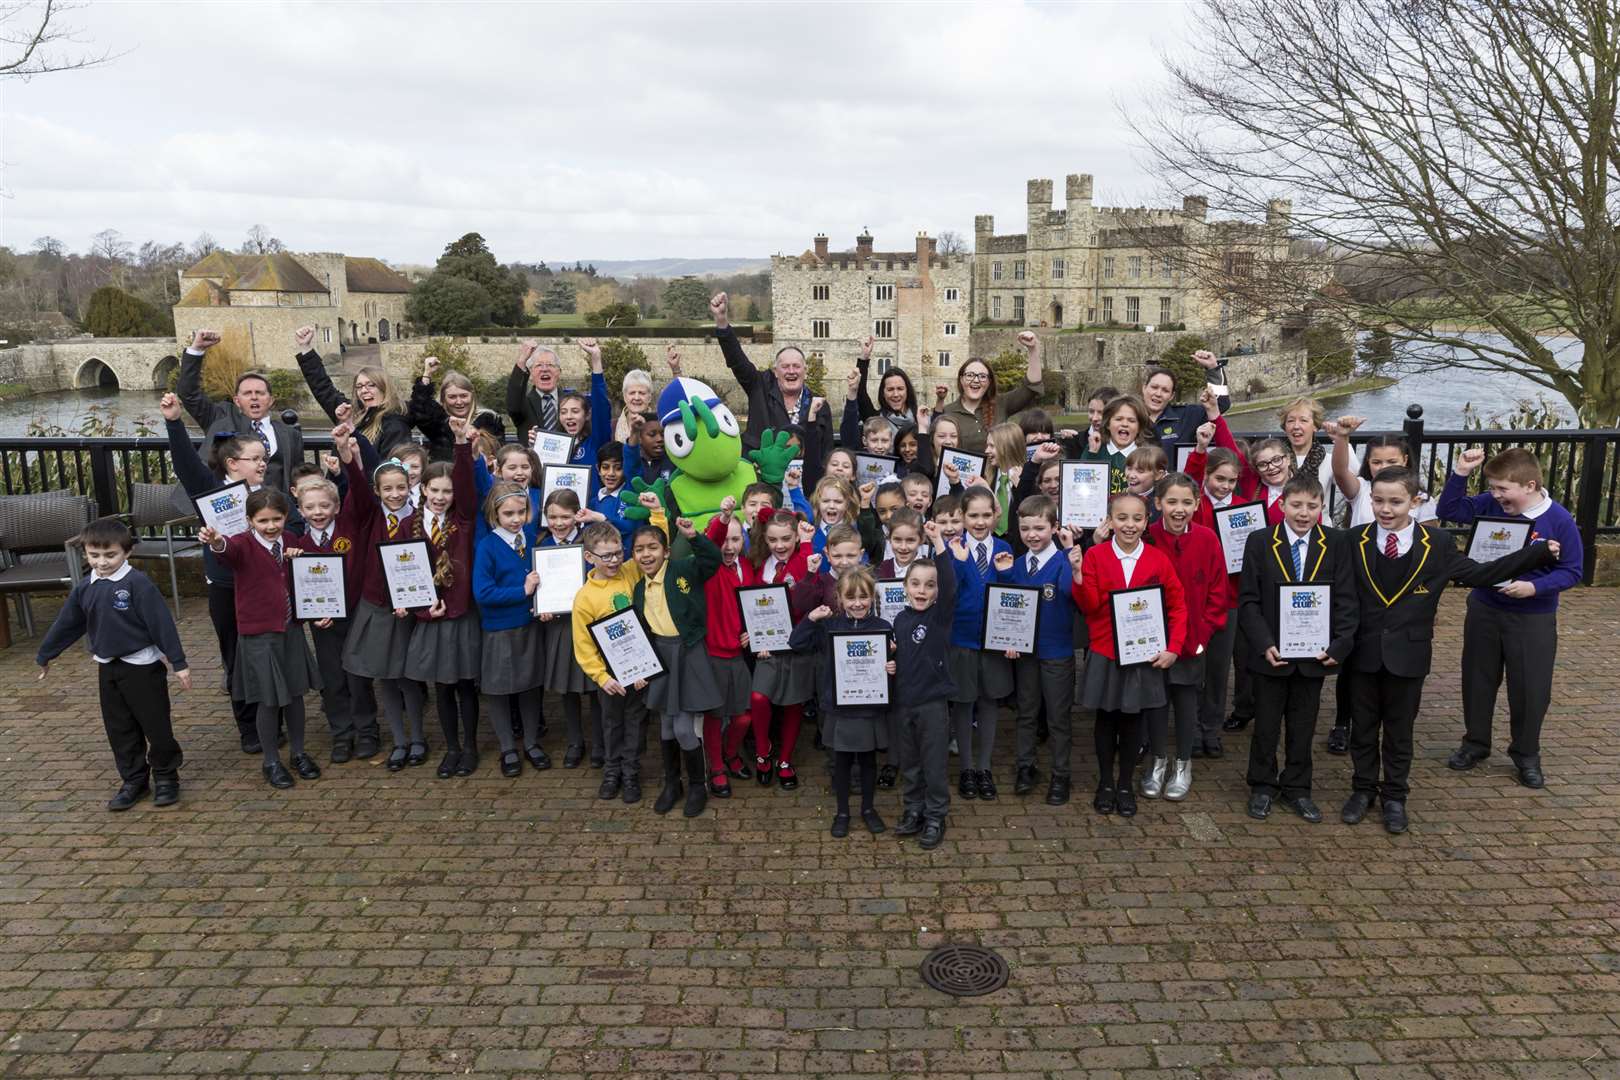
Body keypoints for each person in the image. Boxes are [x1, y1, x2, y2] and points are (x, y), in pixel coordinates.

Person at [1343, 466, 1561, 833]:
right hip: (1362, 653)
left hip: (1408, 655)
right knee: (1362, 728)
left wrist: (1534, 556)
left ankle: (1395, 795)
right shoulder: (1353, 540)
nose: (1385, 509)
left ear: (1415, 502)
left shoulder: (1438, 545)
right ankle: (1362, 789)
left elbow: (1479, 573)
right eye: (1377, 500)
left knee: (1399, 731)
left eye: (1395, 502)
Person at [1437, 447, 1584, 788]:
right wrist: (1460, 473)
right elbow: (1449, 510)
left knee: (1530, 688)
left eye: (1503, 489)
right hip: (1485, 607)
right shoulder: (1491, 504)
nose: (1496, 495)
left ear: (1529, 485)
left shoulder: (1559, 519)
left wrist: (1535, 589)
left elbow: (1573, 570)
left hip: (1532, 616)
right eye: (1493, 487)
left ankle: (1526, 754)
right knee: (1478, 679)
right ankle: (1475, 743)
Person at [36, 518, 190, 811]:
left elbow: (161, 624)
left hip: (142, 668)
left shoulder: (138, 584)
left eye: (110, 555)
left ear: (127, 553)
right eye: (94, 555)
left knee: (156, 726)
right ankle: (134, 781)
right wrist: (46, 654)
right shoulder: (85, 588)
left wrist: (178, 662)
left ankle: (167, 776)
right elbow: (68, 623)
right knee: (120, 729)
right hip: (108, 667)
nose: (102, 562)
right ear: (86, 554)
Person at [1237, 474, 1358, 823]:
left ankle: (1297, 787)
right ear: (1282, 505)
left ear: (1322, 507)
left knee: (1304, 724)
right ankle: (1262, 785)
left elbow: (1348, 600)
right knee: (1266, 725)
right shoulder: (1260, 542)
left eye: (1312, 506)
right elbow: (1248, 601)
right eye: (1296, 505)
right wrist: (1263, 644)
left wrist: (1340, 644)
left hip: (1313, 655)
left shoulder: (1336, 543)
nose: (1304, 513)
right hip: (1271, 652)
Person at [161, 392, 275, 753]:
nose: (262, 464)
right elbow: (185, 467)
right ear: (231, 464)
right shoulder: (211, 492)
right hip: (226, 586)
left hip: (266, 586)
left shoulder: (270, 496)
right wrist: (175, 423)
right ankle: (248, 728)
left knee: (269, 652)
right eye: (254, 458)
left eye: (264, 458)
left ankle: (274, 719)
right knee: (236, 655)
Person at [1321, 416, 1435, 756]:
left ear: (1406, 463)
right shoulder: (1363, 491)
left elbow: (1431, 547)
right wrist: (1342, 438)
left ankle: (1390, 724)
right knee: (1353, 658)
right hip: (1361, 587)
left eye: (1391, 461)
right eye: (1376, 461)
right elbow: (1341, 472)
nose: (1383, 466)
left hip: (1401, 593)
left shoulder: (1421, 497)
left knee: (1392, 661)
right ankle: (1344, 721)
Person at [1074, 491, 1189, 817]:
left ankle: (1125, 783)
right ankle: (1105, 783)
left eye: (1137, 518)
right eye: (1122, 518)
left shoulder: (1157, 559)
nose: (1129, 525)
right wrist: (1079, 577)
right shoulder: (1095, 555)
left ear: (1146, 521)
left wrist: (1173, 648)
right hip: (1106, 651)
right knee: (1106, 719)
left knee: (1133, 721)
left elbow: (1177, 606)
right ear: (1110, 521)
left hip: (1143, 656)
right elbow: (1090, 605)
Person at [201, 488, 325, 790]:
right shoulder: (242, 544)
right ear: (249, 521)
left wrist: (300, 559)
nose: (271, 526)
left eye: (277, 519)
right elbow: (225, 551)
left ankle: (298, 752)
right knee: (268, 700)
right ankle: (270, 760)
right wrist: (216, 542)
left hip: (290, 628)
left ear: (286, 517)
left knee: (296, 695)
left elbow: (308, 577)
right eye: (263, 521)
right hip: (259, 634)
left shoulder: (292, 541)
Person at [338, 441, 428, 772]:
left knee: (407, 677)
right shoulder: (369, 515)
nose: (395, 494)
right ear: (377, 491)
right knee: (386, 677)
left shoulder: (419, 519)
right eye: (387, 489)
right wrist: (350, 459)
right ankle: (400, 741)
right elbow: (357, 489)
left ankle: (418, 737)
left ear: (410, 487)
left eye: (401, 487)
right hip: (376, 605)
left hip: (408, 608)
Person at [632, 508, 723, 819]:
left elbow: (712, 561)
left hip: (687, 653)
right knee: (667, 726)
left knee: (684, 726)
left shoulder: (682, 570)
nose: (646, 555)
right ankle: (673, 785)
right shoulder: (639, 587)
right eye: (639, 550)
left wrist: (694, 537)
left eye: (652, 548)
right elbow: (640, 631)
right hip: (661, 656)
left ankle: (698, 785)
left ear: (666, 551)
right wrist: (640, 669)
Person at [404, 419, 482, 779]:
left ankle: (470, 747)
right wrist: (422, 605)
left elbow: (467, 484)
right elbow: (403, 571)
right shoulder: (410, 525)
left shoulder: (463, 520)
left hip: (459, 613)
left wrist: (461, 443)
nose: (440, 497)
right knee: (443, 686)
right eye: (434, 490)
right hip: (430, 616)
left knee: (465, 684)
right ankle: (451, 747)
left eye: (446, 492)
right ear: (421, 489)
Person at [790, 568, 895, 837]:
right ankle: (842, 811)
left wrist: (893, 665)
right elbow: (796, 642)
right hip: (840, 707)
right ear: (839, 599)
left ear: (873, 597)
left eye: (863, 597)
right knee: (842, 762)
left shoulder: (883, 628)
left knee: (869, 762)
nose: (857, 603)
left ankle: (869, 809)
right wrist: (811, 619)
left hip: (869, 706)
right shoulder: (830, 626)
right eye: (850, 598)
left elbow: (894, 669)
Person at [1143, 474, 1227, 801]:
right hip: (1153, 639)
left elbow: (1218, 593)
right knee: (1156, 701)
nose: (1180, 510)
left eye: (1187, 502)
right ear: (1158, 503)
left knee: (1186, 700)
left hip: (1192, 641)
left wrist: (1202, 633)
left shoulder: (1207, 539)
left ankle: (1183, 763)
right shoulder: (1147, 537)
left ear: (1197, 504)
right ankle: (1158, 761)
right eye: (1172, 502)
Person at [993, 495, 1080, 806]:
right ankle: (1026, 766)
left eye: (1040, 528)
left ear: (1054, 527)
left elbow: (1072, 593)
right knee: (1027, 713)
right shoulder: (1015, 565)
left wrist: (1071, 553)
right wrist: (1008, 640)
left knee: (1058, 718)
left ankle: (1061, 774)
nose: (1032, 534)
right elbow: (1008, 608)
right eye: (1025, 528)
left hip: (1056, 653)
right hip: (1026, 656)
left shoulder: (1063, 562)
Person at [572, 513, 658, 805]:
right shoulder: (584, 598)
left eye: (618, 553)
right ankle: (612, 772)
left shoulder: (631, 572)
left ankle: (631, 772)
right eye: (606, 556)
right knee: (612, 723)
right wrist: (601, 676)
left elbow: (656, 539)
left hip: (640, 666)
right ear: (589, 556)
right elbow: (583, 645)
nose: (613, 561)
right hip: (609, 673)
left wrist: (656, 512)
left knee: (636, 720)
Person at [890, 522, 960, 850]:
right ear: (904, 586)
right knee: (911, 763)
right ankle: (913, 809)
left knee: (933, 764)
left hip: (932, 705)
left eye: (928, 586)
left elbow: (949, 586)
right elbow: (901, 657)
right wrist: (891, 664)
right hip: (904, 703)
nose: (921, 591)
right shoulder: (900, 621)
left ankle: (935, 815)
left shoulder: (940, 617)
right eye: (915, 584)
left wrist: (938, 543)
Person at [472, 482, 547, 779]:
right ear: (495, 514)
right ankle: (508, 748)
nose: (516, 518)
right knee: (500, 691)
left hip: (528, 625)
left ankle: (531, 742)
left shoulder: (530, 539)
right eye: (508, 513)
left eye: (521, 512)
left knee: (530, 686)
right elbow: (483, 593)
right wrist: (522, 590)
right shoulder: (488, 547)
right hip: (499, 630)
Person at [176, 330, 305, 492]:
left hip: (276, 512)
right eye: (247, 393)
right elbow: (189, 393)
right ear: (237, 401)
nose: (254, 398)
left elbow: (297, 477)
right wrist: (197, 349)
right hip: (230, 509)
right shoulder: (221, 418)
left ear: (271, 400)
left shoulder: (290, 434)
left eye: (260, 393)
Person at [947, 486, 1013, 801]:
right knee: (963, 702)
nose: (980, 521)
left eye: (987, 514)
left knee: (989, 701)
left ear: (996, 515)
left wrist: (1015, 638)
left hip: (995, 643)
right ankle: (966, 768)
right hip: (960, 640)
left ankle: (984, 767)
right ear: (961, 516)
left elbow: (1016, 601)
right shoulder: (952, 550)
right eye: (973, 515)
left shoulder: (1004, 547)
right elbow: (946, 594)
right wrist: (959, 561)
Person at [745, 509, 817, 788]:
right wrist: (756, 640)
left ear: (796, 536)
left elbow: (805, 597)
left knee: (792, 703)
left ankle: (785, 759)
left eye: (786, 538)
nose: (780, 545)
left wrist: (808, 543)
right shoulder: (759, 564)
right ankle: (764, 750)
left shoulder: (803, 560)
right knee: (759, 697)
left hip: (798, 645)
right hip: (768, 648)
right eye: (773, 539)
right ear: (765, 538)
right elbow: (751, 605)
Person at [711, 291, 832, 453]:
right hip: (760, 473)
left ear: (805, 370)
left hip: (801, 475)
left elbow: (826, 449)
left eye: (796, 366)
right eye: (785, 366)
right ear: (775, 371)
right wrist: (722, 321)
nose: (791, 371)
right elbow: (737, 361)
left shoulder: (818, 405)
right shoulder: (759, 386)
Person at [700, 500, 760, 797]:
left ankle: (732, 753)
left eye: (735, 539)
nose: (728, 546)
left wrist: (754, 631)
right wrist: (723, 518)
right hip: (713, 654)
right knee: (714, 716)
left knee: (743, 716)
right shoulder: (709, 568)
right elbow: (711, 541)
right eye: (724, 539)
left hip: (739, 654)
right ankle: (717, 766)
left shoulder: (747, 567)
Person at [293, 326, 412, 456]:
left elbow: (387, 471)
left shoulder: (395, 426)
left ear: (384, 388)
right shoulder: (351, 413)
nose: (364, 390)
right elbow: (323, 388)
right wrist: (305, 347)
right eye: (359, 386)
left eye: (371, 385)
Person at [935, 332, 1044, 454]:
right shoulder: (948, 412)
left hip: (999, 472)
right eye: (970, 375)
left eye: (982, 376)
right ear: (961, 379)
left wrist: (1033, 349)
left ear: (989, 382)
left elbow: (1030, 388)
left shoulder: (1002, 403)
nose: (976, 380)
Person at [410, 354, 504, 462]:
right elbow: (419, 409)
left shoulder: (490, 419)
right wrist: (427, 374)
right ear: (443, 399)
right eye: (452, 397)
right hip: (446, 475)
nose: (459, 402)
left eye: (464, 396)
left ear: (472, 395)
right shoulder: (439, 422)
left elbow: (500, 454)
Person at [1138, 352, 1231, 448]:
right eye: (1154, 387)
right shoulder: (1129, 416)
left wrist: (1213, 369)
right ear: (1144, 388)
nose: (1158, 394)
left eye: (1165, 390)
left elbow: (1219, 404)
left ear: (1171, 396)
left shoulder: (1185, 416)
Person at [1081, 395, 1152, 494]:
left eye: (1131, 420)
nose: (1125, 424)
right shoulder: (1094, 448)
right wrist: (1092, 453)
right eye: (1118, 419)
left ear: (1139, 427)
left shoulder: (1147, 455)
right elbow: (1081, 483)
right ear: (1108, 424)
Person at [506, 340, 569, 442]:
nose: (544, 369)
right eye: (539, 365)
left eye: (550, 365)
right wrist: (522, 361)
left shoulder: (570, 402)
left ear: (559, 372)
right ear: (530, 374)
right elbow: (513, 404)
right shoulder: (523, 405)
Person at [614, 367, 656, 443]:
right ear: (624, 396)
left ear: (650, 397)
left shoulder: (659, 425)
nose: (636, 398)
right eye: (632, 393)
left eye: (642, 393)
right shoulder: (612, 427)